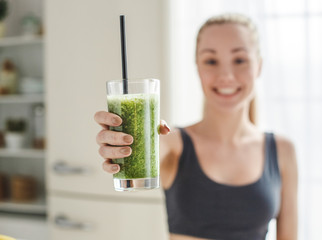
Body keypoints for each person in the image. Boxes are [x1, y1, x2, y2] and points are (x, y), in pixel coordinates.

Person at [94, 13, 298, 240]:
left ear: (258, 66)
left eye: (239, 60)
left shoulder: (282, 150)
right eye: (211, 61)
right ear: (198, 68)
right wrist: (128, 141)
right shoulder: (173, 143)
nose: (226, 75)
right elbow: (145, 160)